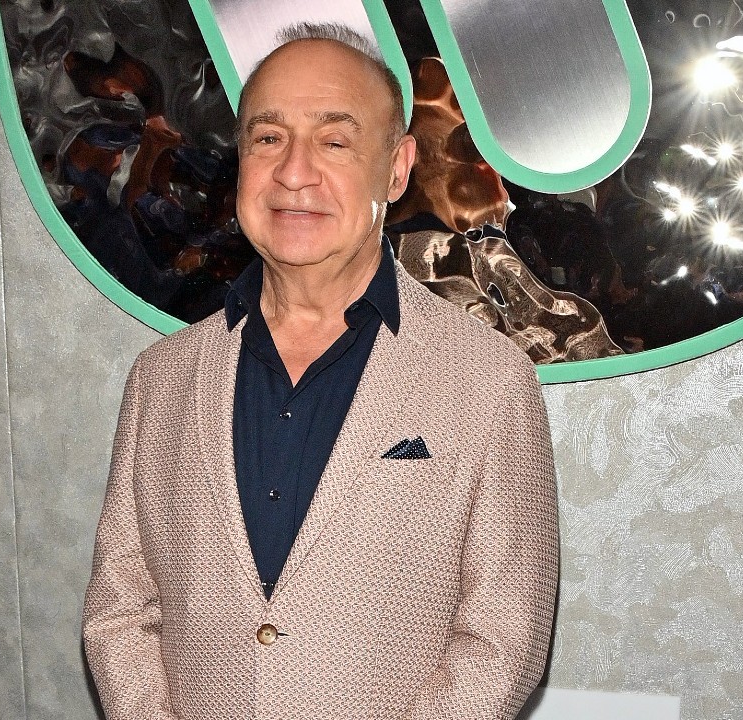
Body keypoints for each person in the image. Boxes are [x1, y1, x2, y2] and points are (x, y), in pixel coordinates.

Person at [82, 22, 558, 720]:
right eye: (268, 138)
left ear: (396, 168)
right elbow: (121, 609)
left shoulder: (489, 381)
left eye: (334, 141)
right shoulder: (162, 378)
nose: (293, 171)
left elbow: (503, 642)